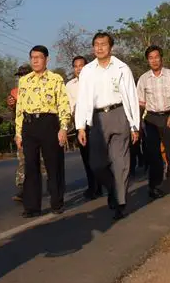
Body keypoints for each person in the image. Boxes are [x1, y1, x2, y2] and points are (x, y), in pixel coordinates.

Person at [74, 32, 141, 220]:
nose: (99, 48)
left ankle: (121, 202)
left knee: (121, 162)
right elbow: (83, 98)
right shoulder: (87, 70)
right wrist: (80, 126)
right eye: (96, 44)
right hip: (97, 119)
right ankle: (113, 188)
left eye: (103, 44)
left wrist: (135, 125)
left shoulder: (122, 68)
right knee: (96, 164)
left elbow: (132, 97)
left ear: (110, 47)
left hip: (119, 114)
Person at [15, 46, 71, 217]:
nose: (35, 60)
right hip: (29, 124)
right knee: (30, 166)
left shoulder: (56, 79)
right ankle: (32, 207)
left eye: (39, 57)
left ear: (47, 59)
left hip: (49, 123)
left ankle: (56, 202)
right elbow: (20, 107)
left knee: (53, 164)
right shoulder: (24, 81)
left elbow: (63, 103)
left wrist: (63, 127)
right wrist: (18, 132)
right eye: (32, 57)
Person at [136, 45, 170, 196]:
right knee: (152, 154)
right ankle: (155, 185)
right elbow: (140, 101)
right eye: (151, 58)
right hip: (151, 118)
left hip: (169, 115)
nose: (154, 60)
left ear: (161, 58)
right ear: (147, 61)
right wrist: (138, 121)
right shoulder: (143, 79)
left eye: (156, 57)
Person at [66, 55, 102, 200]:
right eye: (76, 66)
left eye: (81, 65)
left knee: (98, 156)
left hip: (96, 122)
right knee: (86, 157)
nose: (79, 68)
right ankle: (92, 186)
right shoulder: (70, 85)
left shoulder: (95, 81)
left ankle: (100, 184)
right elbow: (68, 106)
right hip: (80, 125)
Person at [8, 64, 44, 202]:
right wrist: (11, 106)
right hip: (23, 130)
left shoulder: (40, 87)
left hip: (40, 128)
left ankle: (54, 183)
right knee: (23, 160)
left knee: (43, 160)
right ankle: (24, 189)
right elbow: (13, 114)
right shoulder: (14, 92)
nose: (21, 77)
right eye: (20, 75)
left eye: (24, 74)